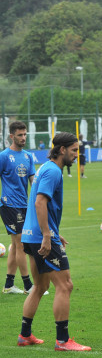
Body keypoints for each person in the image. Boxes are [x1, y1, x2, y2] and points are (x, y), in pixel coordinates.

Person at [17, 132, 90, 351]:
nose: (77, 154)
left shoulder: (45, 168)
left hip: (30, 235)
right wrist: (48, 236)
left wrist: (54, 232)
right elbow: (40, 202)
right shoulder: (53, 171)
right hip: (41, 237)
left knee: (40, 286)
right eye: (74, 150)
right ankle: (63, 340)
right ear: (61, 150)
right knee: (65, 285)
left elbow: (42, 206)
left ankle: (25, 335)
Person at [0, 121, 38, 294]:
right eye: (20, 135)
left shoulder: (29, 157)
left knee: (15, 246)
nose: (23, 138)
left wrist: (40, 199)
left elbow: (33, 181)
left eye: (25, 135)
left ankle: (8, 285)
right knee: (21, 244)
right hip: (9, 205)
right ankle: (28, 285)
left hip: (24, 205)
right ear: (11, 136)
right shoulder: (4, 156)